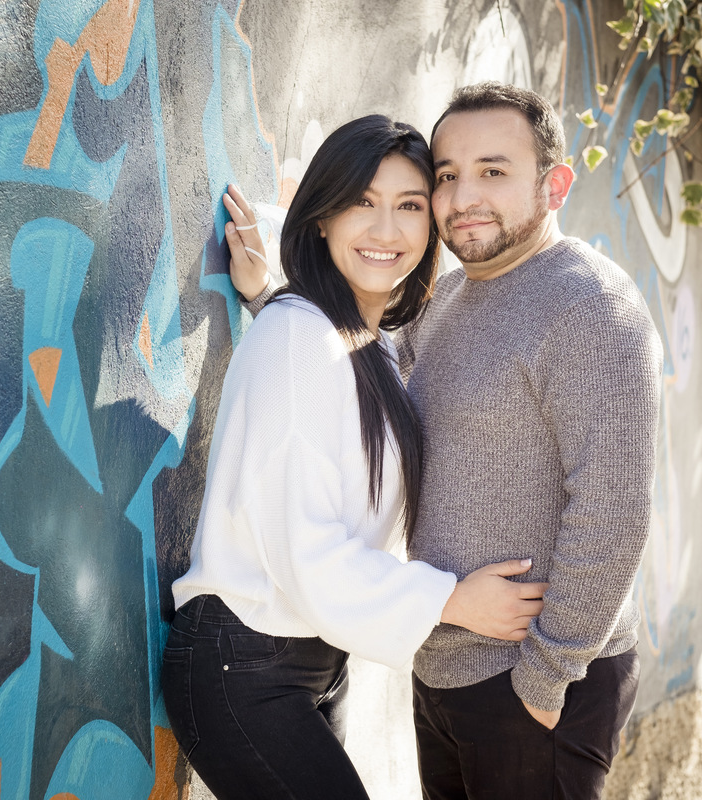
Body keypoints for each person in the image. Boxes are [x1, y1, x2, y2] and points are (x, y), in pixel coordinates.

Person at [229, 84, 663, 800]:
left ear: (553, 184)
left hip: (535, 679)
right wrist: (268, 290)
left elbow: (614, 512)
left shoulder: (590, 306)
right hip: (446, 669)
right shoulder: (449, 302)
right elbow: (355, 363)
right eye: (449, 175)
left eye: (494, 171)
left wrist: (548, 675)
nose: (464, 197)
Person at [162, 114, 548, 800]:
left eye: (408, 207)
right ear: (322, 218)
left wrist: (262, 293)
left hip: (307, 657)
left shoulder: (352, 340)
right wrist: (453, 600)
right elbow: (306, 547)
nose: (386, 231)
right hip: (243, 667)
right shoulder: (298, 339)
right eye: (362, 204)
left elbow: (323, 383)